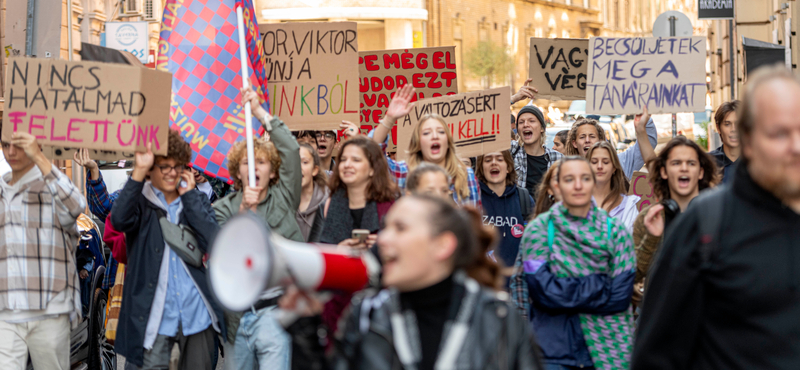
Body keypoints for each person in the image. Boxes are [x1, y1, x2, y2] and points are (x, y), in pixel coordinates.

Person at [632, 66, 800, 370]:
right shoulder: (706, 222)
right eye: (779, 133)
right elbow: (656, 352)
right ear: (749, 140)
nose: (796, 146)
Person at [282, 195, 543, 370]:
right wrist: (305, 329)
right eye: (386, 228)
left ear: (442, 245)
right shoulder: (367, 313)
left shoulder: (497, 317)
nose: (383, 240)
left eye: (400, 228)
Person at [111, 130, 223, 370]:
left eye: (177, 166)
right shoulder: (140, 201)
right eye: (164, 166)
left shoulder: (195, 199)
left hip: (195, 314)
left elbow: (214, 239)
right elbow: (118, 220)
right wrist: (138, 173)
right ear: (151, 168)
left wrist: (191, 197)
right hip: (153, 315)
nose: (172, 172)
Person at [511, 156, 636, 370]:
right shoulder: (538, 231)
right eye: (569, 179)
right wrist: (600, 283)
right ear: (556, 186)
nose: (578, 186)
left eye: (585, 178)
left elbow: (620, 297)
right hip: (553, 353)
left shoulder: (616, 232)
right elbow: (543, 292)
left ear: (593, 182)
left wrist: (564, 288)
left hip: (606, 351)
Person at [213, 86, 303, 370]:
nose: (254, 167)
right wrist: (242, 213)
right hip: (236, 318)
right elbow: (217, 253)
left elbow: (290, 148)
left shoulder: (285, 196)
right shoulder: (222, 209)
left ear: (273, 171)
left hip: (275, 313)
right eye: (246, 162)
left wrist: (259, 112)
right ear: (237, 172)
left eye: (261, 162)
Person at [0, 131, 86, 370]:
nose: (11, 152)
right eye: (6, 145)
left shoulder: (52, 183)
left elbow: (76, 205)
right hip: (6, 309)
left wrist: (39, 157)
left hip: (49, 306)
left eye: (19, 145)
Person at [319, 136, 398, 336]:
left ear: (372, 168)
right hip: (339, 306)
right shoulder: (331, 203)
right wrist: (339, 253)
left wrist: (380, 247)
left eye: (355, 160)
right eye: (343, 159)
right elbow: (323, 254)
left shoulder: (393, 206)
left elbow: (406, 253)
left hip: (381, 304)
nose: (347, 165)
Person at [631, 136, 719, 305]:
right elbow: (632, 274)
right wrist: (651, 239)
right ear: (664, 171)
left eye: (691, 163)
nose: (684, 168)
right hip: (661, 315)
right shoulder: (648, 217)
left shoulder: (718, 214)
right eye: (676, 163)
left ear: (701, 172)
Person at [370, 84, 481, 207]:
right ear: (418, 144)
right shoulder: (404, 173)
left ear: (448, 143)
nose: (435, 136)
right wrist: (389, 119)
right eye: (427, 133)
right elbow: (373, 155)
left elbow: (475, 222)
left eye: (441, 132)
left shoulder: (466, 176)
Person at [475, 150, 534, 268]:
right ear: (482, 168)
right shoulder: (474, 199)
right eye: (488, 160)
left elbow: (534, 244)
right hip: (484, 281)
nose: (494, 163)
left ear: (508, 167)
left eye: (499, 159)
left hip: (516, 281)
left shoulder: (524, 199)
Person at [565, 110, 657, 180]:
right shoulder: (566, 170)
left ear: (600, 141)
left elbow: (647, 144)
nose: (587, 140)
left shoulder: (619, 163)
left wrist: (644, 122)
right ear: (575, 143)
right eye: (582, 137)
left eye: (592, 136)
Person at [510, 104, 563, 195]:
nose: (526, 125)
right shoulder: (512, 151)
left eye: (531, 121)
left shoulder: (558, 158)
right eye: (521, 122)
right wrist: (513, 100)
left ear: (542, 128)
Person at [587, 141, 639, 233]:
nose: (599, 166)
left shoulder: (629, 205)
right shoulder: (576, 201)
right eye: (594, 162)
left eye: (605, 162)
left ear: (614, 168)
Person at [296, 142, 329, 243]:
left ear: (314, 170)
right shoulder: (281, 201)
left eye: (304, 162)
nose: (298, 167)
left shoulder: (328, 200)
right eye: (294, 162)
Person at [708, 100, 741, 183]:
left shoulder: (757, 163)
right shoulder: (709, 163)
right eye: (727, 124)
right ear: (718, 128)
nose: (733, 129)